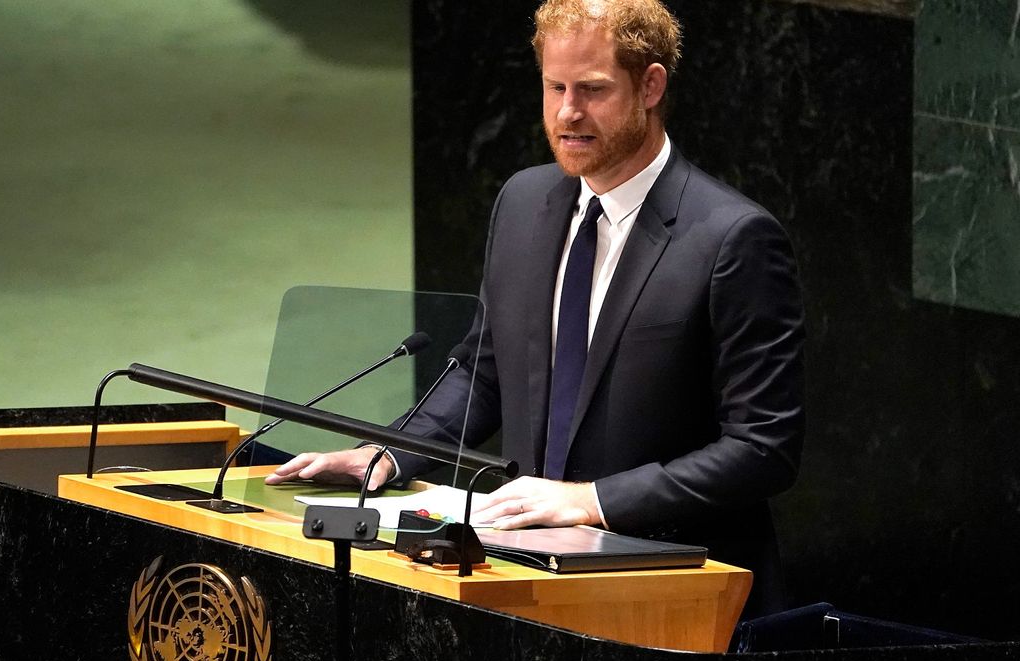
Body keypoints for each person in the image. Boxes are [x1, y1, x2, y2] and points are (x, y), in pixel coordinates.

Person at [266, 0, 804, 616]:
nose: (567, 113)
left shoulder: (732, 238)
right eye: (555, 87)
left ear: (651, 85)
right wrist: (387, 454)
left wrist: (592, 500)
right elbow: (483, 372)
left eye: (593, 91)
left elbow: (765, 448)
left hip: (676, 594)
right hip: (528, 577)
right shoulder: (523, 202)